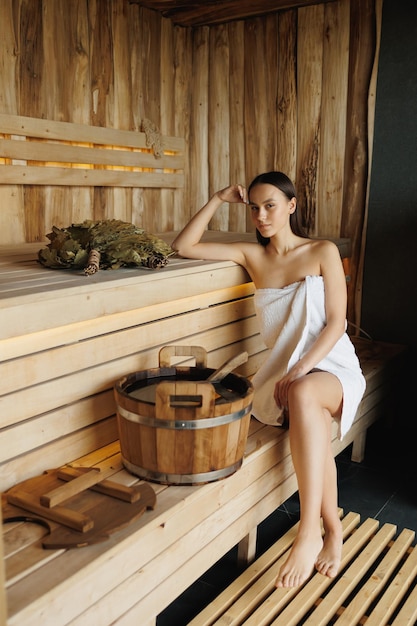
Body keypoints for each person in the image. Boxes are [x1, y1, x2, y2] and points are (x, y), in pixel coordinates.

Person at [171, 171, 366, 589]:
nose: (261, 216)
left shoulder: (322, 251)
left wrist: (300, 368)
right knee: (306, 412)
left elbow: (336, 324)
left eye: (271, 206)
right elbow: (182, 246)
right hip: (286, 378)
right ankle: (332, 531)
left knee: (305, 392)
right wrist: (218, 198)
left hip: (332, 367)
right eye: (254, 208)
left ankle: (308, 529)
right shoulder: (251, 255)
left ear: (291, 206)